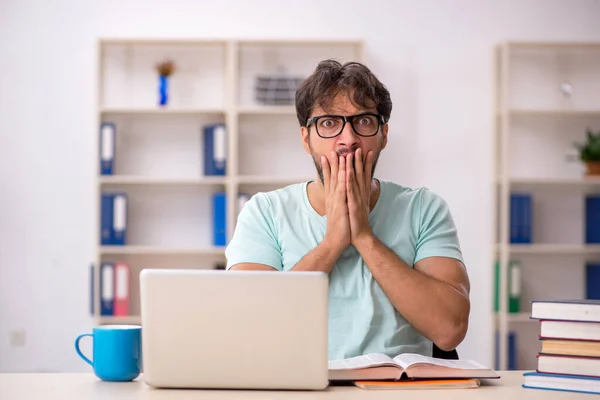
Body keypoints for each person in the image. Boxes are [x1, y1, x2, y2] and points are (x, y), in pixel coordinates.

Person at [225, 59, 470, 361]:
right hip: (298, 388)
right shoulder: (264, 211)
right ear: (306, 139)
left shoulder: (423, 207)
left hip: (398, 389)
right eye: (329, 123)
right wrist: (332, 243)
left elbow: (449, 329)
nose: (348, 139)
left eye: (364, 121)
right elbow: (249, 325)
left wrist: (365, 237)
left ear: (384, 135)